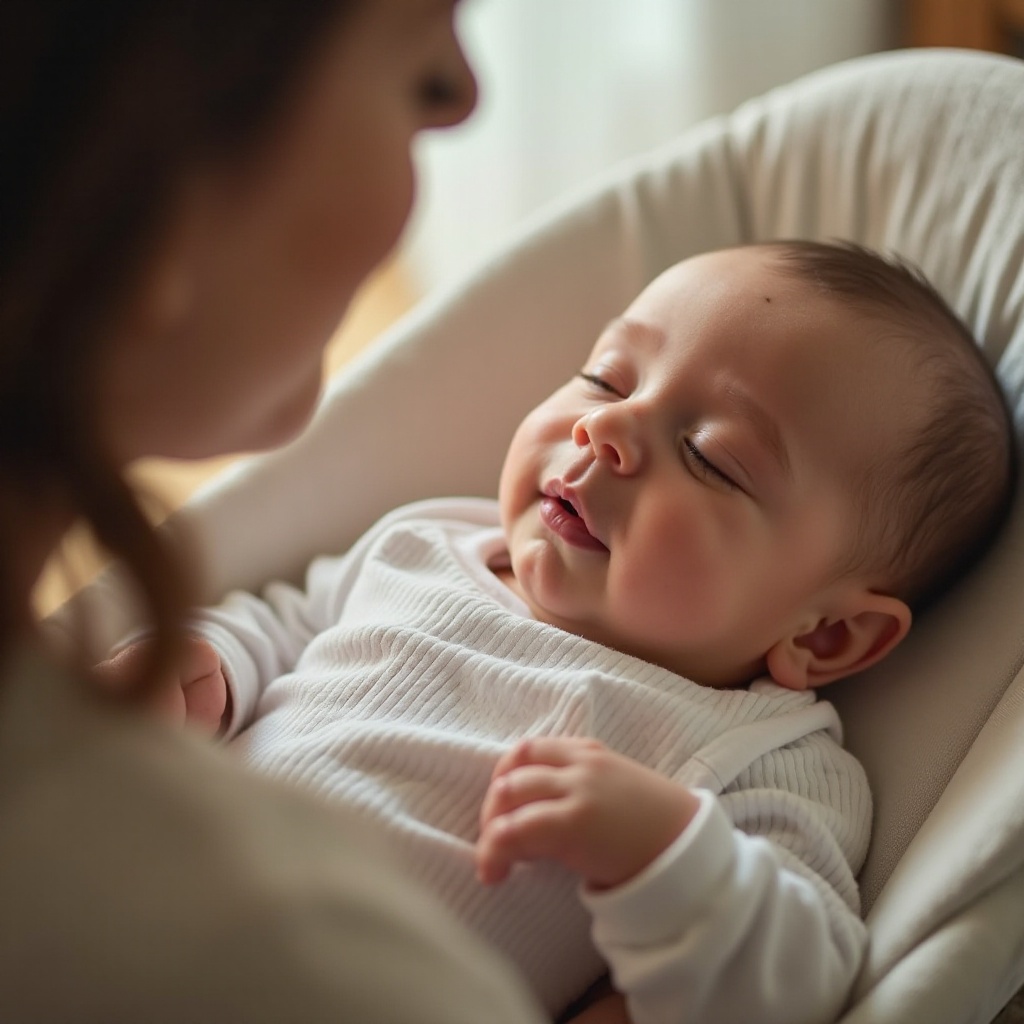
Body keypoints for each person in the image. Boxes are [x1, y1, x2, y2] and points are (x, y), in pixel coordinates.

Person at [101, 240, 1016, 1024]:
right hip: (146, 899)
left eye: (711, 457)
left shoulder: (760, 753)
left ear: (826, 638)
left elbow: (801, 981)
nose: (606, 427)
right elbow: (290, 623)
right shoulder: (436, 540)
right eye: (606, 376)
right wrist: (212, 666)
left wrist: (665, 856)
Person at [0, 2, 548, 1022]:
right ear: (147, 187)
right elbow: (297, 618)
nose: (464, 97)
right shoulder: (294, 963)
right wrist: (224, 659)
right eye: (421, 53)